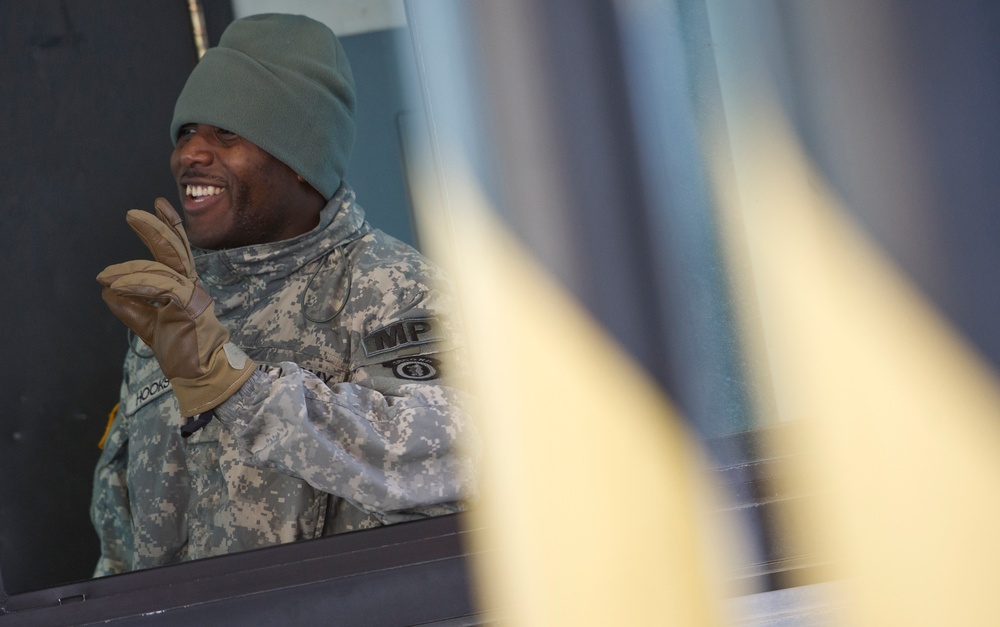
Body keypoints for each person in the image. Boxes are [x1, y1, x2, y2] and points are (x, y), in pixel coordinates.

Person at [90, 13, 477, 577]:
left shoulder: (395, 290)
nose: (190, 154)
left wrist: (238, 388)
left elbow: (454, 459)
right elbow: (121, 533)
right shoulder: (175, 308)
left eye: (225, 133)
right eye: (186, 132)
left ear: (301, 163)